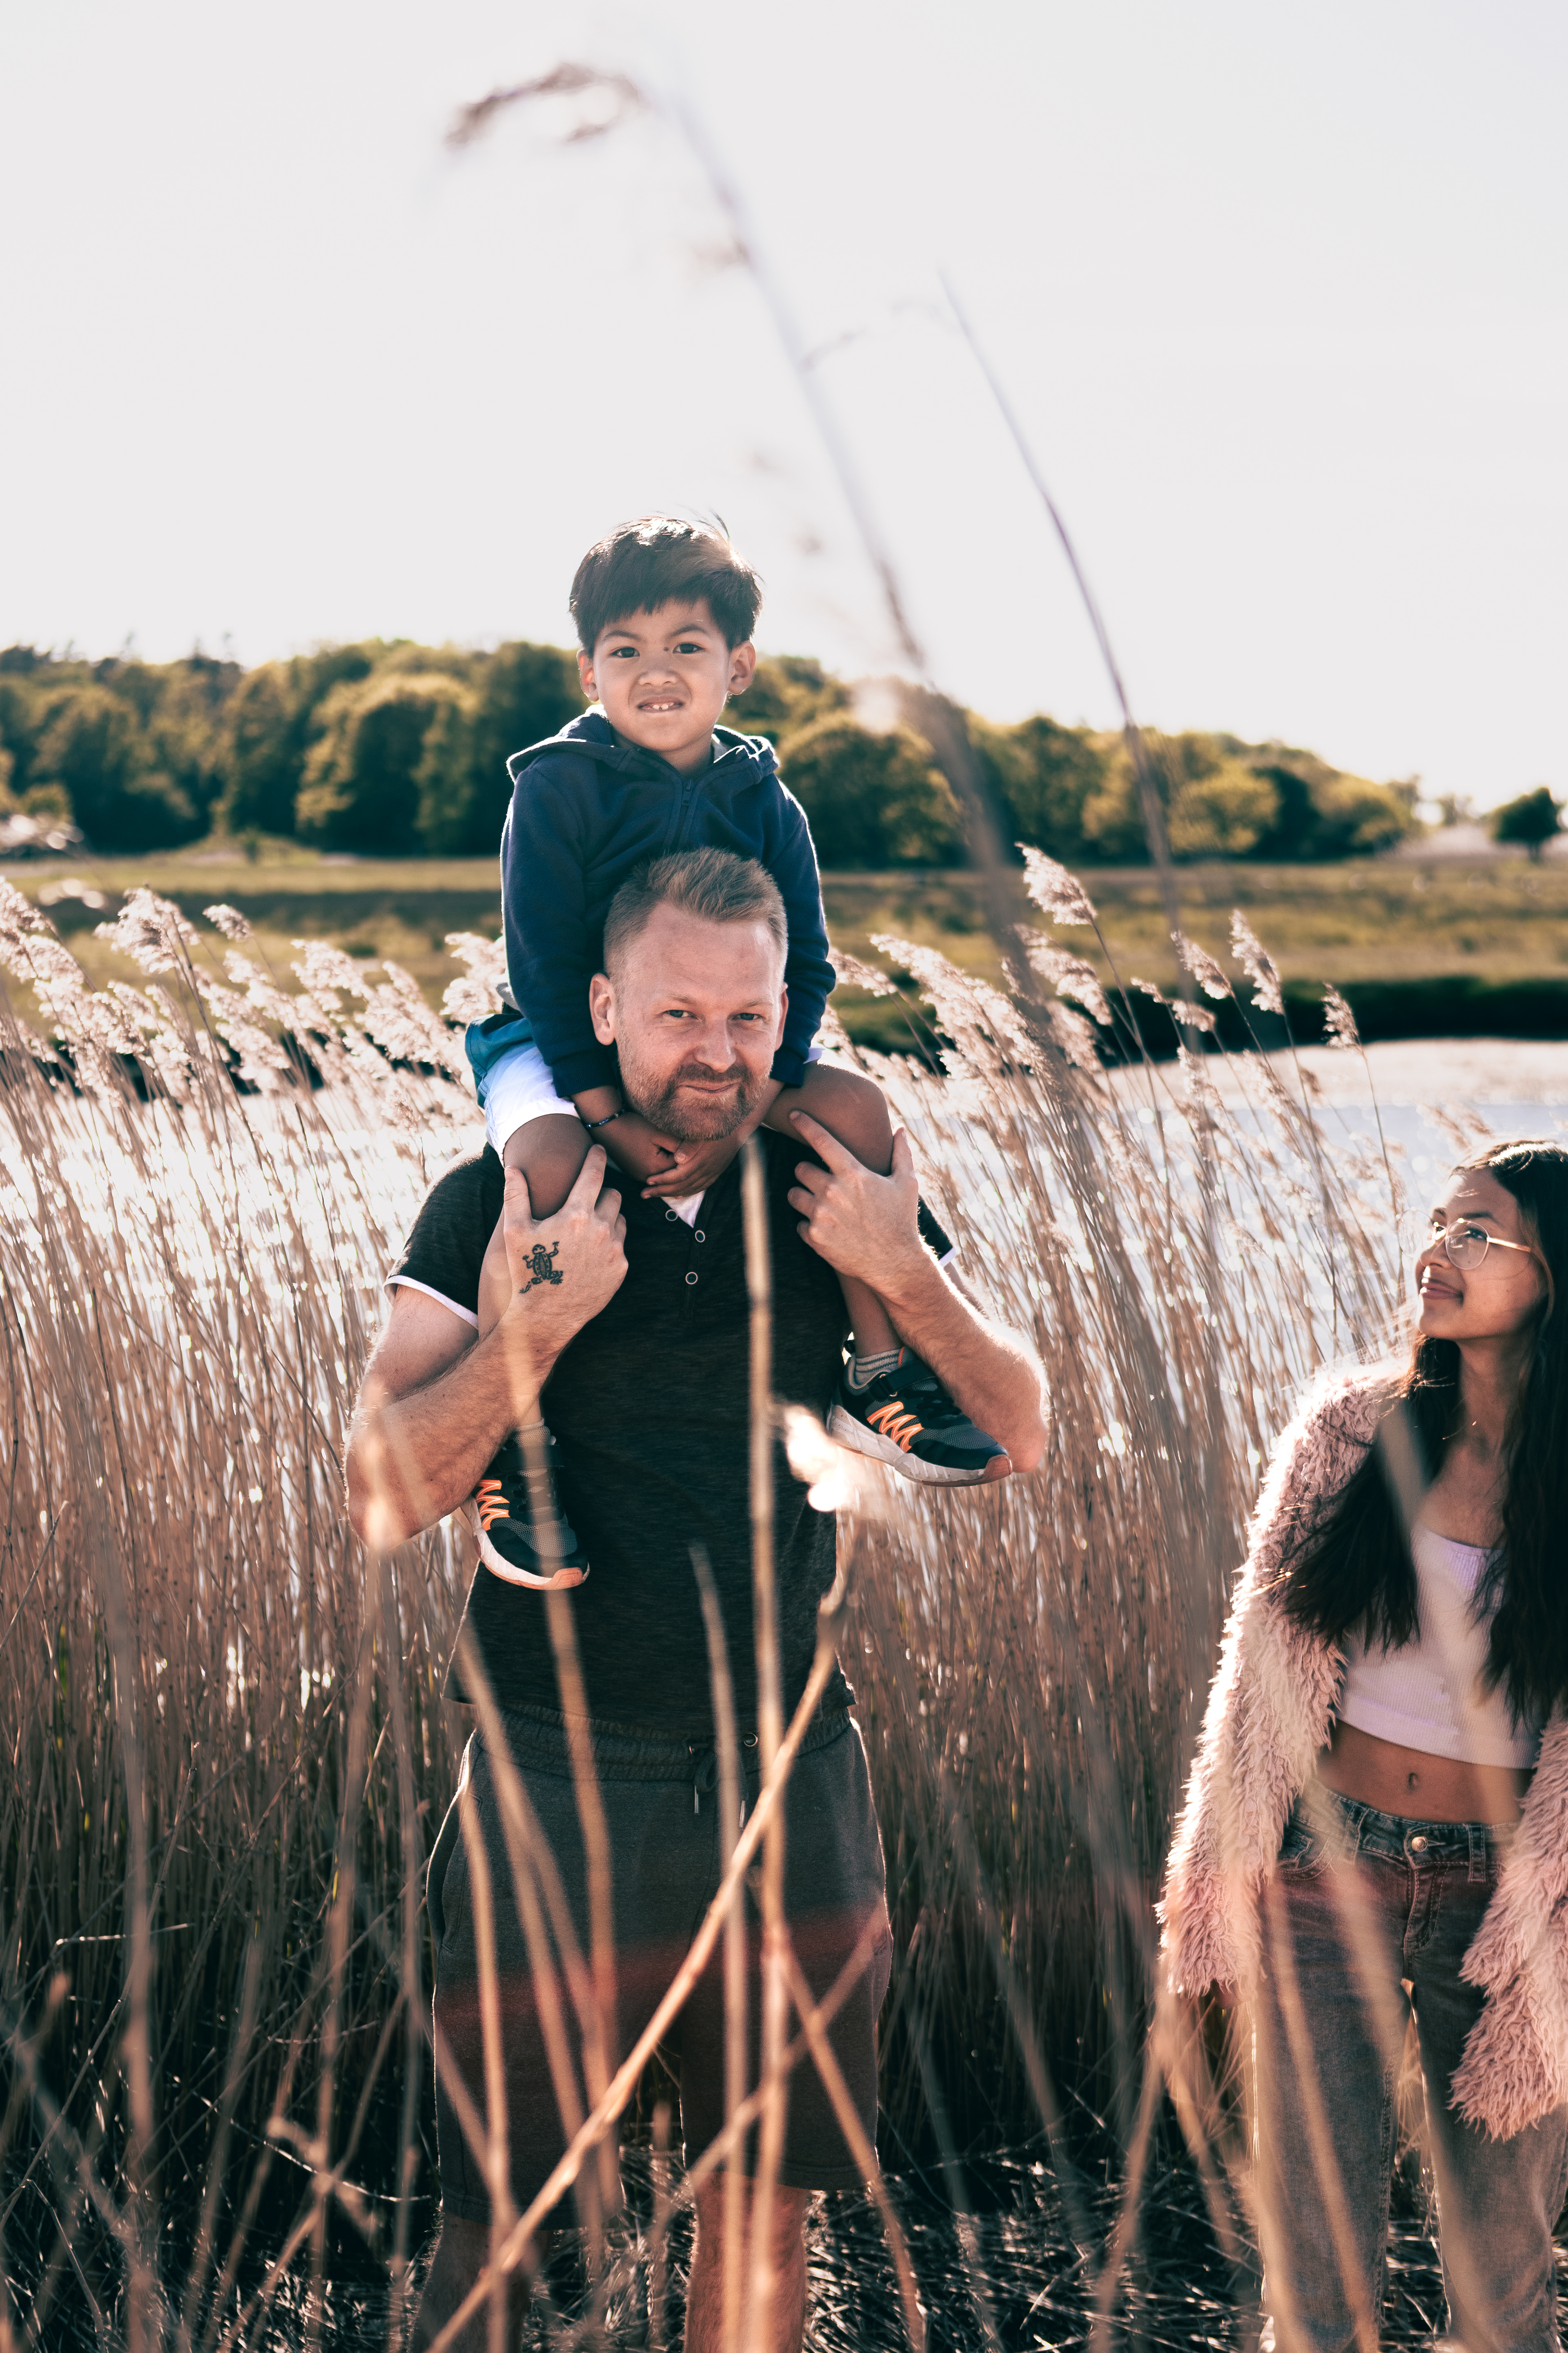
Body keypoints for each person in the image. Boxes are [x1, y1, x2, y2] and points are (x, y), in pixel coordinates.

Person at [346, 848, 1048, 2353]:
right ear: (603, 1007)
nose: (717, 1053)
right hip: (555, 1772)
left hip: (792, 1770)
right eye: (677, 1013)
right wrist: (533, 1330)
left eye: (749, 1013)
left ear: (788, 1008)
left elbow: (1021, 1430)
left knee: (764, 2205)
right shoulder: (500, 1193)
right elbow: (383, 1487)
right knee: (500, 2207)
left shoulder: (829, 1190)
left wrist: (899, 1273)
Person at [463, 515, 1007, 1592]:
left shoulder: (766, 798)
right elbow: (538, 963)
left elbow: (804, 970)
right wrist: (605, 1113)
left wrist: (762, 1093)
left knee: (856, 1116)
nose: (654, 672)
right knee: (540, 1162)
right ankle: (511, 1447)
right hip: (561, 1034)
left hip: (718, 1039)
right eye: (625, 650)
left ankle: (880, 1373)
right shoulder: (557, 789)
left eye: (686, 647)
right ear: (588, 669)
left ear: (739, 666)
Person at [1161, 1139, 1568, 2351]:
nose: (1438, 1250)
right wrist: (1219, 1867)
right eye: (1441, 1221)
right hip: (1320, 1874)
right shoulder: (1349, 1431)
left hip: (1508, 1909)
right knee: (1319, 2282)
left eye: (1481, 1233)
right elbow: (1258, 1672)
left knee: (1503, 2285)